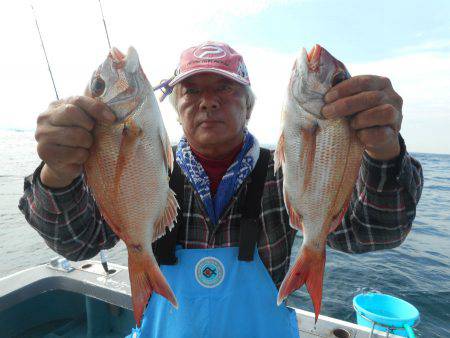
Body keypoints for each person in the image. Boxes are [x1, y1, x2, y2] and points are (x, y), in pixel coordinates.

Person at [19, 41, 423, 338]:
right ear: (173, 109)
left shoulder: (283, 172)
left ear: (249, 105)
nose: (208, 102)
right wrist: (58, 173)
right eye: (191, 91)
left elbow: (375, 230)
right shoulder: (149, 171)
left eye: (226, 89)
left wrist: (384, 151)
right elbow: (77, 241)